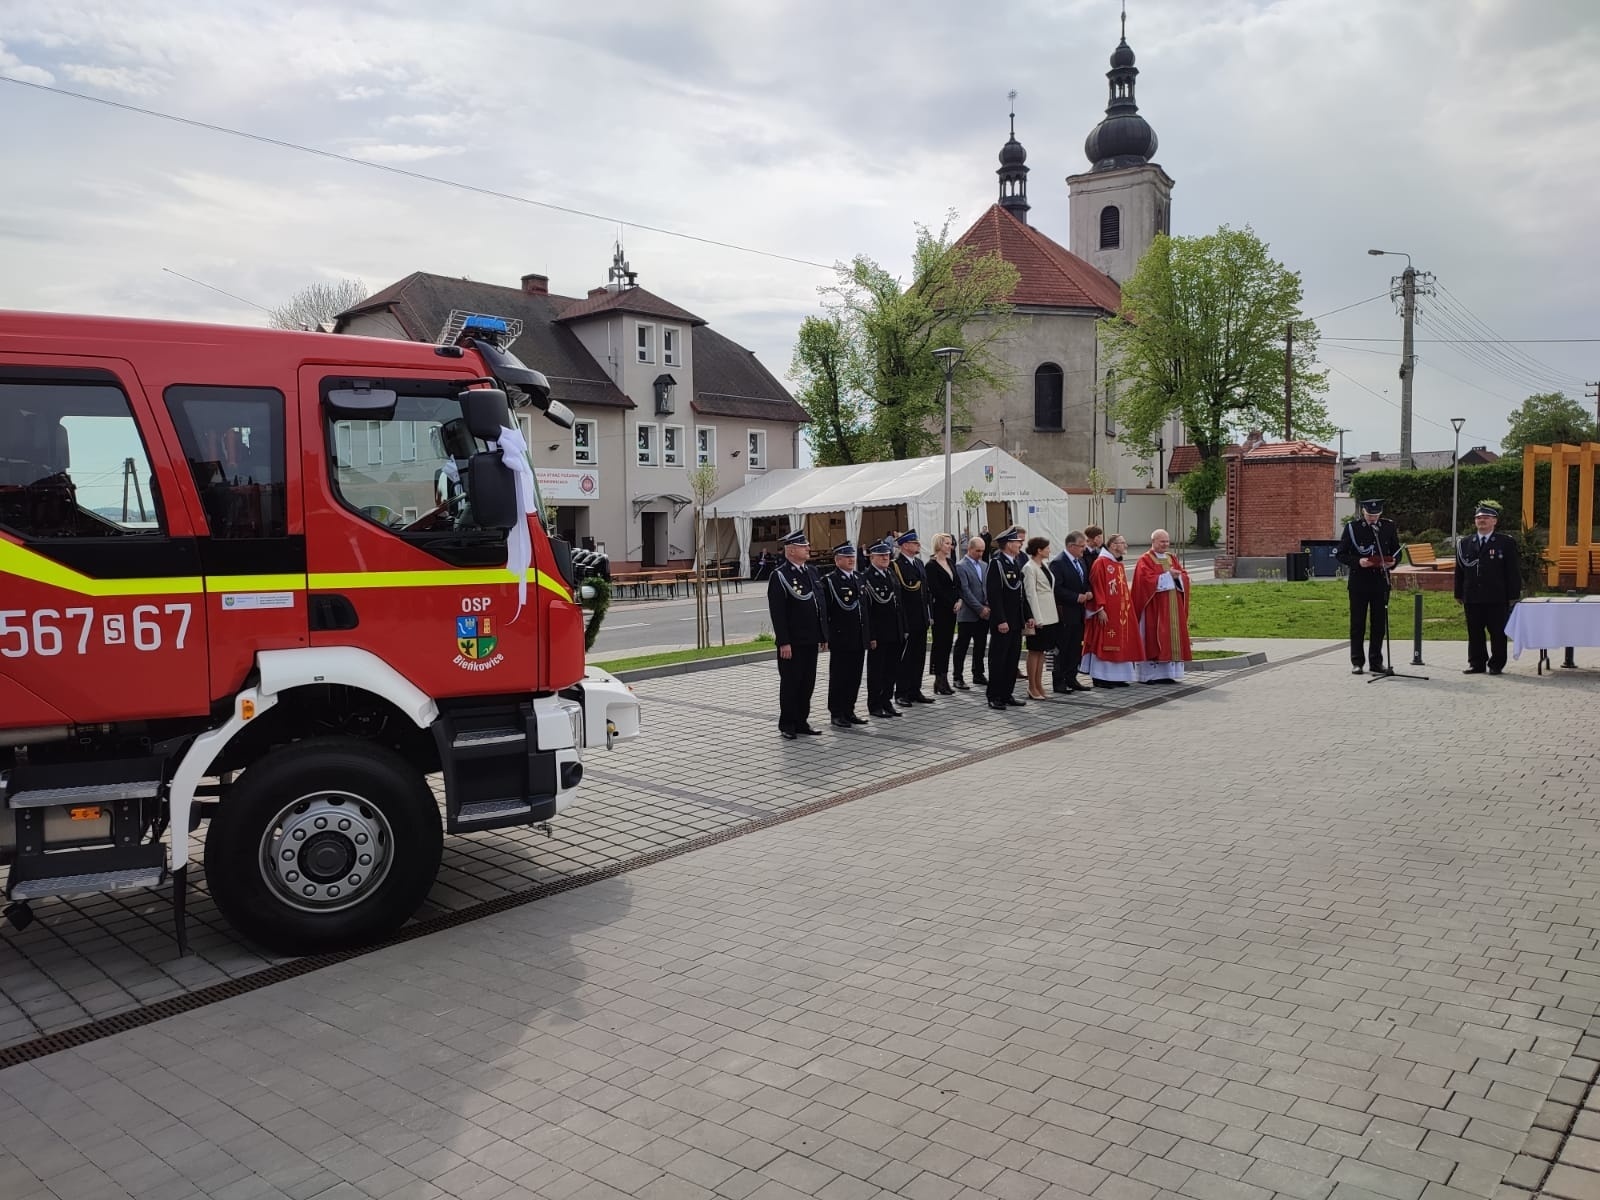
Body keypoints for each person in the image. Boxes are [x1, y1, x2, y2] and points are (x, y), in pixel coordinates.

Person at [766, 528, 827, 739]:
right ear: (791, 550)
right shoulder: (780, 575)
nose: (808, 548)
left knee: (807, 683)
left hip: (811, 639)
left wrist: (823, 635)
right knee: (791, 683)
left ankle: (802, 721)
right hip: (793, 641)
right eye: (803, 546)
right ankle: (788, 724)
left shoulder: (812, 571)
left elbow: (820, 605)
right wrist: (784, 642)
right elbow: (778, 613)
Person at [1454, 501, 1521, 675]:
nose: (1482, 520)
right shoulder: (1465, 543)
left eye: (1486, 518)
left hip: (1496, 596)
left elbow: (1512, 570)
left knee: (1497, 632)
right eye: (1479, 518)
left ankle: (1496, 664)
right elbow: (1459, 571)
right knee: (1475, 632)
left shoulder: (1505, 542)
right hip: (1472, 595)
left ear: (1494, 521)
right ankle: (1476, 663)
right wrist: (1458, 593)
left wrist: (1513, 595)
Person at [1336, 498, 1401, 675]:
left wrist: (1393, 562)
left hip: (1380, 581)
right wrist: (1358, 561)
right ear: (1363, 512)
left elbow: (1396, 550)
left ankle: (1376, 662)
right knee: (1358, 623)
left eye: (1376, 515)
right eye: (1370, 515)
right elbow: (1341, 554)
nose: (1373, 518)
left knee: (1379, 624)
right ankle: (1357, 661)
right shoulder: (1353, 528)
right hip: (1359, 582)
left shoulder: (1388, 526)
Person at [1132, 529, 1193, 685]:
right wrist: (1167, 576)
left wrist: (1179, 577)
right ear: (1153, 542)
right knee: (1153, 637)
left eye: (1167, 541)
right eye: (1162, 541)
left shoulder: (1171, 558)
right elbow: (1144, 581)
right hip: (1154, 607)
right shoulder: (1145, 559)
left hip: (1173, 606)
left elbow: (1184, 575)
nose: (1165, 544)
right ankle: (1149, 676)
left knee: (1171, 638)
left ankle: (1168, 674)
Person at [1081, 532, 1139, 687]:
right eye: (1122, 543)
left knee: (1120, 643)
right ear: (1113, 545)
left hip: (1120, 613)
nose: (1126, 545)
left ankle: (1117, 677)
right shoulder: (1101, 562)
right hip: (1105, 612)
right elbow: (1096, 585)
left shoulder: (1117, 563)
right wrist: (1099, 608)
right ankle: (1100, 677)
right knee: (1104, 643)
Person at [822, 542, 870, 725]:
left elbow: (864, 609)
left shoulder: (858, 577)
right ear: (837, 560)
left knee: (854, 676)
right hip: (841, 636)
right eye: (846, 557)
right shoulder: (830, 580)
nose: (851, 560)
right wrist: (826, 636)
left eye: (852, 557)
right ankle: (836, 712)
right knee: (839, 676)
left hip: (858, 635)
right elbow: (826, 611)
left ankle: (849, 710)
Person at [984, 527, 1030, 709]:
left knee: (1012, 659)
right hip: (1003, 622)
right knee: (999, 660)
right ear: (1009, 544)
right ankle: (994, 696)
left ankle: (1006, 693)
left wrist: (1028, 616)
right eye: (1017, 542)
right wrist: (1001, 620)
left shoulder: (1015, 563)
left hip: (1016, 621)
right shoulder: (997, 564)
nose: (1020, 544)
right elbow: (994, 595)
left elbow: (1021, 594)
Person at [861, 540, 904, 718]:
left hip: (894, 630)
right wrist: (871, 635)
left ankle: (887, 700)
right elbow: (867, 611)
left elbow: (899, 604)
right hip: (879, 633)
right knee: (876, 671)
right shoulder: (866, 577)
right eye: (881, 555)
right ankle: (875, 704)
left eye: (887, 555)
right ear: (872, 557)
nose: (885, 558)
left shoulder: (890, 574)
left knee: (891, 669)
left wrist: (903, 629)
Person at [891, 530, 934, 706]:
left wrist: (929, 615)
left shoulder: (918, 563)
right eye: (915, 543)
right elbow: (899, 596)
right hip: (908, 619)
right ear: (905, 545)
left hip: (921, 618)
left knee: (918, 657)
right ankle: (901, 692)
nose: (918, 545)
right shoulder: (896, 566)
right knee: (906, 658)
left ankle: (915, 690)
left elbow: (925, 591)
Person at [1049, 531, 1093, 693]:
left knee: (1075, 647)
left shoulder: (1080, 561)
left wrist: (1088, 591)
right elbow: (1056, 588)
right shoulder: (1058, 563)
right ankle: (1058, 681)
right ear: (1071, 546)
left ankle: (1071, 678)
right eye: (1081, 546)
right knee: (1062, 648)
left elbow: (1085, 581)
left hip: (1079, 613)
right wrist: (1076, 597)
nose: (1084, 549)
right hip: (1065, 613)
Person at [1021, 536, 1059, 701]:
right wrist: (1036, 618)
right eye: (1047, 548)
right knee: (1034, 651)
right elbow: (1030, 594)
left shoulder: (1043, 565)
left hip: (1049, 615)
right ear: (1039, 550)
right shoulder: (1029, 568)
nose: (1049, 551)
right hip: (1039, 616)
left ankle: (1039, 684)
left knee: (1042, 651)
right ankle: (1032, 686)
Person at [924, 532, 961, 696]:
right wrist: (951, 603)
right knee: (940, 644)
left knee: (947, 644)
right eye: (947, 543)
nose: (950, 546)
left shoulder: (950, 562)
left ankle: (944, 677)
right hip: (940, 610)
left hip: (953, 609)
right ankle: (939, 678)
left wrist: (959, 600)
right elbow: (936, 589)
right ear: (939, 545)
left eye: (950, 543)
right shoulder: (931, 565)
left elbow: (957, 584)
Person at [953, 534, 990, 690]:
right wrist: (979, 608)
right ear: (969, 549)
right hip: (968, 614)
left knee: (980, 645)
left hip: (984, 613)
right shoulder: (961, 566)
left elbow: (986, 587)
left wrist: (987, 605)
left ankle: (978, 673)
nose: (980, 554)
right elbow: (965, 591)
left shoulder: (984, 565)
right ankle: (957, 676)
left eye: (982, 551)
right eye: (977, 551)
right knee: (962, 645)